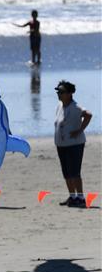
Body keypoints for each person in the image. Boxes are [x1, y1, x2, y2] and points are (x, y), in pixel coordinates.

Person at [54, 80, 92, 208]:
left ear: (70, 93)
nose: (59, 94)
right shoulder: (60, 105)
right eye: (58, 92)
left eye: (62, 92)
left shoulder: (75, 107)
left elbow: (88, 115)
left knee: (74, 172)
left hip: (74, 144)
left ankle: (80, 198)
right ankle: (72, 196)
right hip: (61, 145)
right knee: (66, 172)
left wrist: (80, 130)